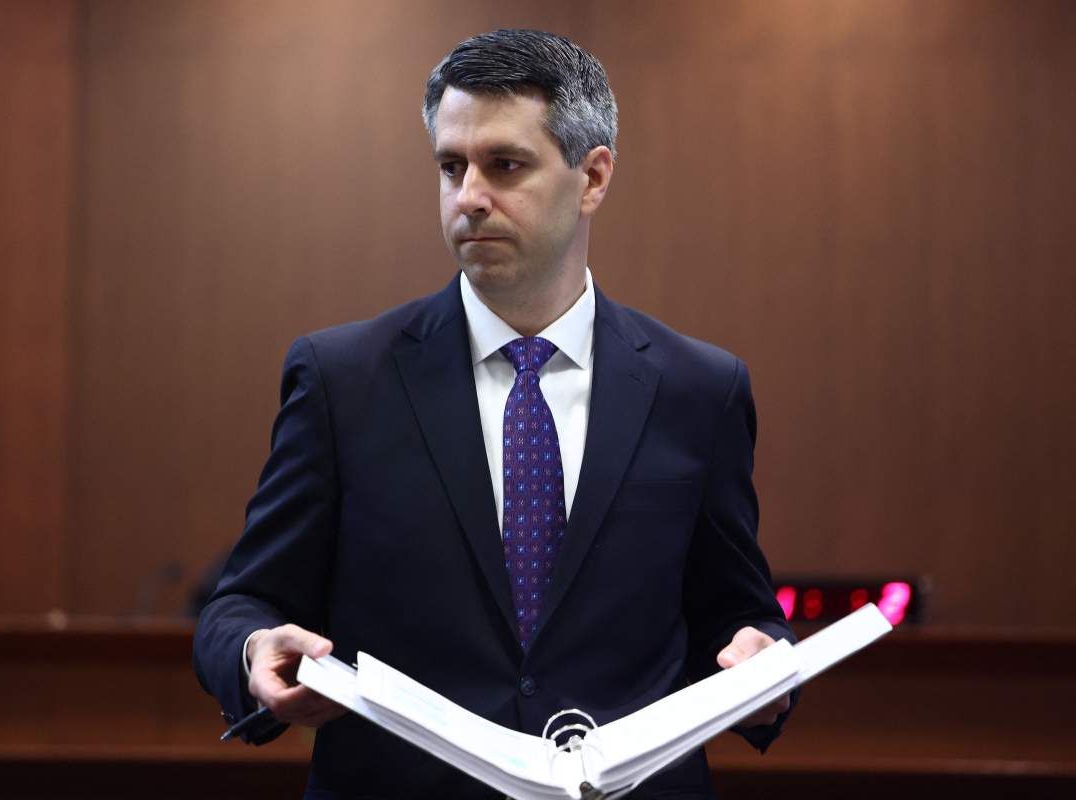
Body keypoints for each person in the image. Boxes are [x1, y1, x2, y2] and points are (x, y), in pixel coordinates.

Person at [194, 29, 794, 799]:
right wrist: (252, 651)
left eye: (504, 166)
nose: (469, 196)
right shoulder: (345, 378)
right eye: (451, 167)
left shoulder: (698, 389)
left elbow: (736, 612)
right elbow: (242, 602)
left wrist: (764, 659)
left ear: (593, 178)